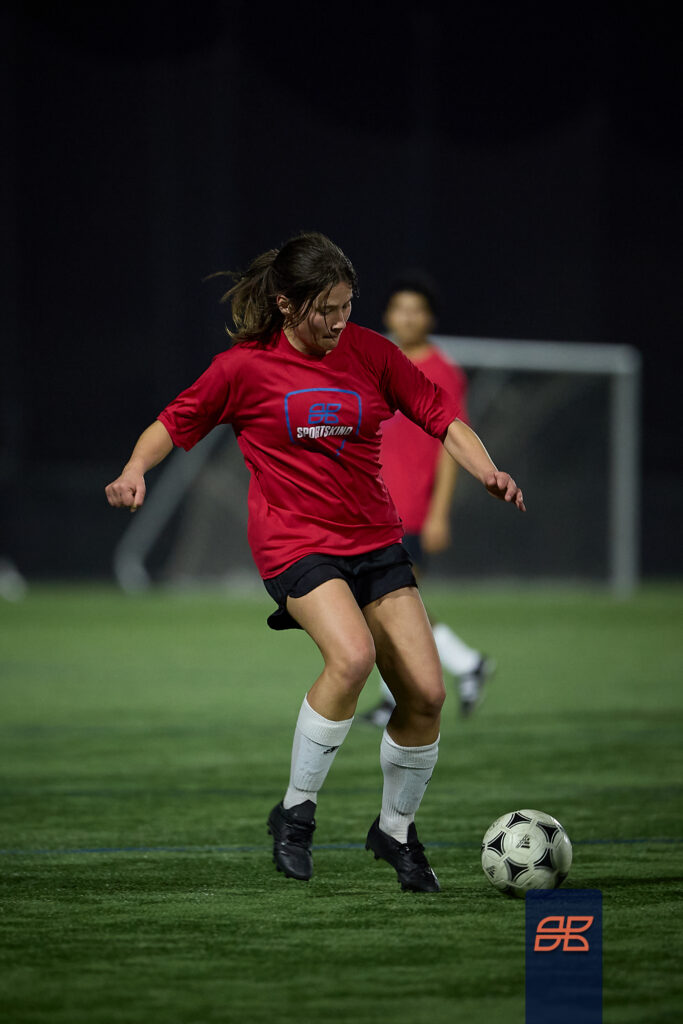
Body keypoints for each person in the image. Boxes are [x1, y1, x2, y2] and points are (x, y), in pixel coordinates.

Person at [105, 232, 525, 893]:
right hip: (294, 542)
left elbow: (443, 418)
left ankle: (394, 831)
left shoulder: (372, 353)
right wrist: (134, 469)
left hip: (374, 539)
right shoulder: (243, 368)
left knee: (426, 694)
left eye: (346, 306)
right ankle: (295, 815)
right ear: (286, 304)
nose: (338, 321)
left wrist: (487, 470)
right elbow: (173, 423)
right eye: (326, 309)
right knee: (352, 657)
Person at [362, 276, 493, 728]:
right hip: (373, 504)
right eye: (400, 308)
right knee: (387, 603)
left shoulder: (442, 370)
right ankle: (463, 665)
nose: (408, 318)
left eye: (416, 310)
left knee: (389, 602)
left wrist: (439, 513)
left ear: (430, 318)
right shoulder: (377, 361)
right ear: (387, 314)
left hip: (412, 509)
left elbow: (452, 442)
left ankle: (458, 667)